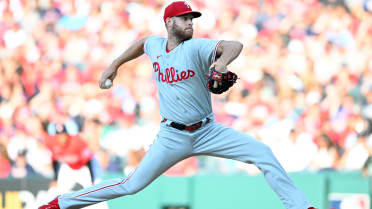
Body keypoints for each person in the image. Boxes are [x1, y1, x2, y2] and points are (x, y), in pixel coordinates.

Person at [39, 1, 316, 209]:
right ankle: (60, 204)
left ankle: (302, 206)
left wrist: (220, 63)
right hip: (172, 136)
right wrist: (115, 65)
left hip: (208, 131)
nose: (190, 23)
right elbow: (142, 43)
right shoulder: (156, 46)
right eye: (185, 18)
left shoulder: (196, 47)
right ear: (170, 22)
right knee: (130, 185)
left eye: (192, 19)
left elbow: (234, 45)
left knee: (262, 152)